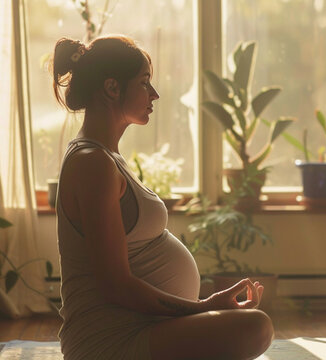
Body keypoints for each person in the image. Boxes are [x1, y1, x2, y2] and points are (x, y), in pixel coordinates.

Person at [53, 35, 274, 360]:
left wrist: (202, 310)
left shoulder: (106, 158)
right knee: (255, 328)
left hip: (144, 328)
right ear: (112, 88)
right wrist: (201, 308)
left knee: (250, 325)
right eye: (144, 82)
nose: (154, 94)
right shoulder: (92, 163)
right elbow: (115, 285)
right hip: (110, 341)